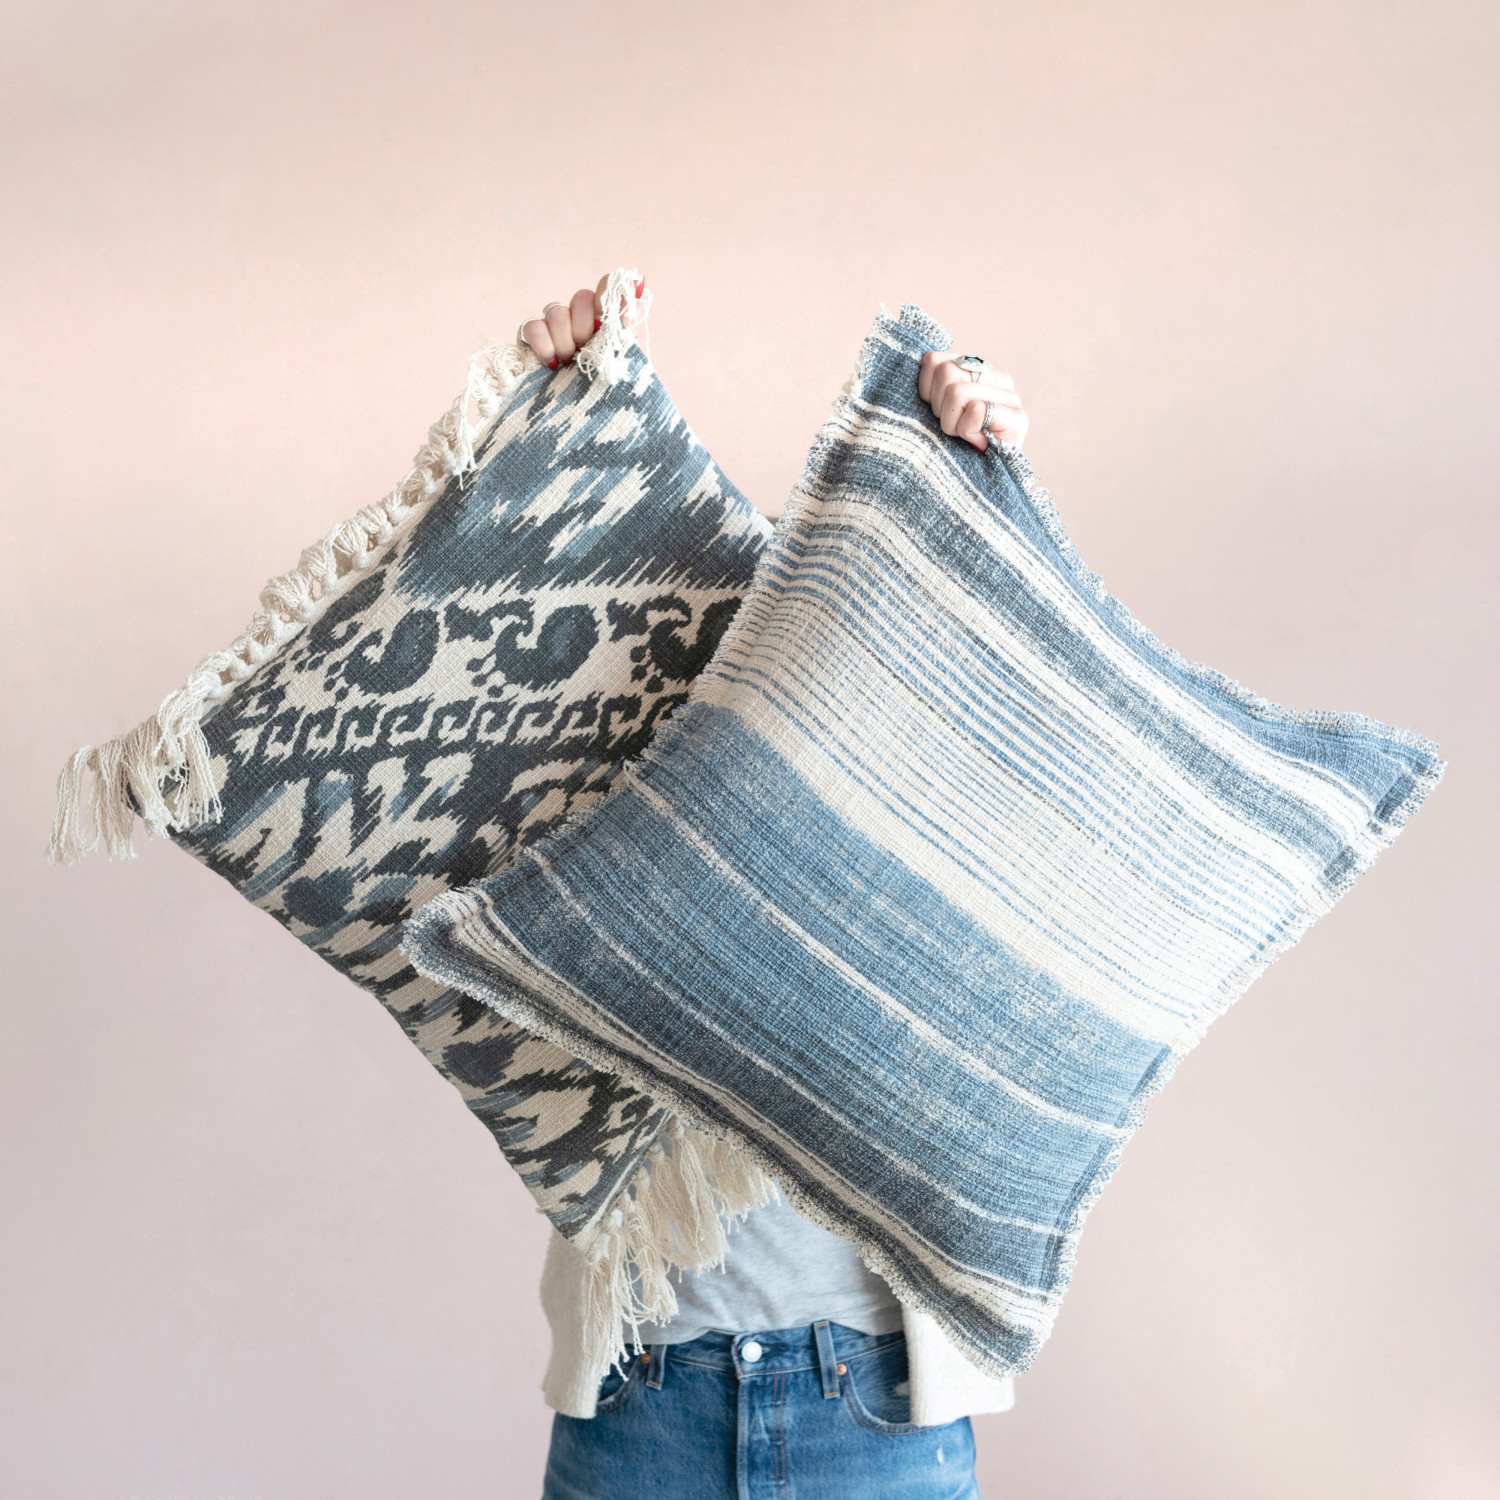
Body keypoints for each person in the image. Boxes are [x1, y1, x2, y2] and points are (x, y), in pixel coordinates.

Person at [518, 278, 1029, 1500]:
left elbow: (1015, 698)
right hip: (641, 1401)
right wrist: (553, 438)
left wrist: (980, 464)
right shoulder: (608, 791)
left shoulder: (924, 796)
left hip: (876, 1409)